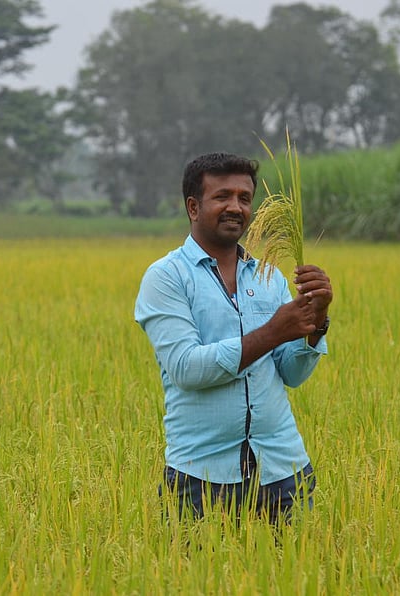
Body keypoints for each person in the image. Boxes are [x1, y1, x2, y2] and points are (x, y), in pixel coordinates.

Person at [134, 152, 333, 524]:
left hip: (282, 471)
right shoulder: (166, 278)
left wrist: (315, 320)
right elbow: (187, 369)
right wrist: (274, 331)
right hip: (202, 480)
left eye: (244, 198)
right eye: (222, 196)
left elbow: (291, 374)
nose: (235, 207)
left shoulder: (269, 277)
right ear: (193, 207)